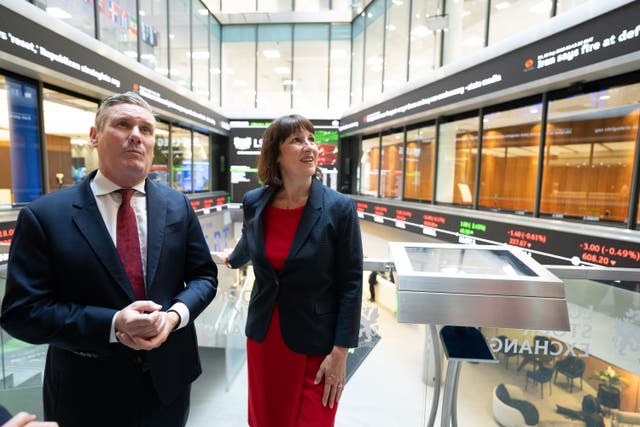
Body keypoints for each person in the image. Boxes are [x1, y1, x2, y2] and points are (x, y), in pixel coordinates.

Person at [0, 91, 218, 427]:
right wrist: (113, 323)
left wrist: (174, 316)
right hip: (85, 393)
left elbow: (204, 277)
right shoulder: (45, 216)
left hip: (167, 384)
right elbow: (21, 313)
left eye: (146, 129)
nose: (136, 135)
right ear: (93, 136)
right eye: (123, 124)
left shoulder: (177, 206)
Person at [224, 114, 363, 427]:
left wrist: (341, 353)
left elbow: (352, 283)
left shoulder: (338, 208)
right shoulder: (254, 202)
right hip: (265, 338)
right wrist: (232, 259)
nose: (309, 147)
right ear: (276, 153)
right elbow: (250, 241)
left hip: (317, 344)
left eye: (312, 139)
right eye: (297, 140)